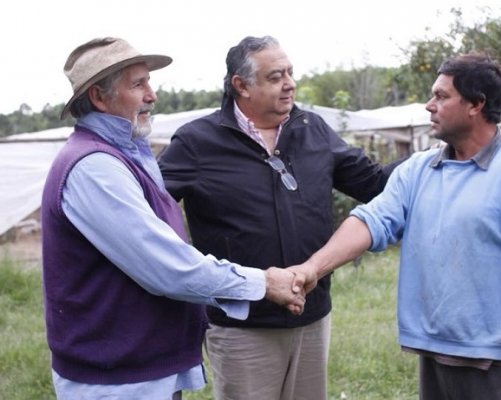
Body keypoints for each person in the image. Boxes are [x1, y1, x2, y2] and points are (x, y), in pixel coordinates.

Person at [289, 52, 501, 400]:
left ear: (476, 104)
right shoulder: (419, 169)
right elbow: (372, 219)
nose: (429, 105)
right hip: (433, 355)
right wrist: (312, 269)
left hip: (497, 366)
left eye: (441, 96)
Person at [41, 37, 306, 400]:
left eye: (148, 82)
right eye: (138, 85)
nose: (152, 95)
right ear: (99, 98)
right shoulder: (95, 168)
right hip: (117, 382)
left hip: (134, 369)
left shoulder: (124, 155)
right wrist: (262, 283)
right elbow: (167, 267)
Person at [157, 35, 404, 400]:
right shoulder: (198, 142)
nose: (290, 83)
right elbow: (151, 211)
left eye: (290, 72)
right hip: (243, 326)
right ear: (241, 85)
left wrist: (434, 158)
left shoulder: (311, 129)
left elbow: (374, 183)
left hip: (312, 315)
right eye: (275, 76)